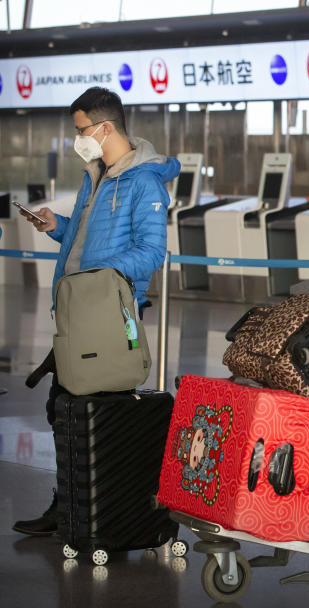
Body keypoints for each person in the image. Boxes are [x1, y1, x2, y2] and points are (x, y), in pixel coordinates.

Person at [13, 86, 180, 536]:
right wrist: (58, 227)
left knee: (75, 407)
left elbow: (151, 251)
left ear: (105, 128)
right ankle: (76, 504)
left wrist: (99, 278)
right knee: (65, 409)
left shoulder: (142, 181)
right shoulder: (97, 175)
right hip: (79, 312)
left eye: (82, 130)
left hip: (106, 316)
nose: (78, 138)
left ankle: (85, 508)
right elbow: (87, 242)